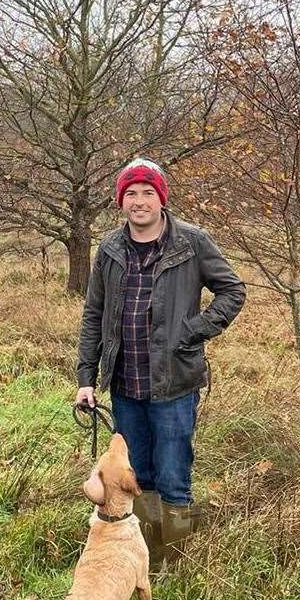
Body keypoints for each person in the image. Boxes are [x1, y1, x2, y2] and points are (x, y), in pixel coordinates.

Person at [74, 158, 245, 559]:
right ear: (121, 201)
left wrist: (191, 331)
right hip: (125, 384)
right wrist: (86, 376)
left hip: (174, 384)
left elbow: (233, 292)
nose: (139, 201)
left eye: (147, 193)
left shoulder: (192, 242)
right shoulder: (111, 249)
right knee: (140, 475)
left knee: (173, 476)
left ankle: (177, 558)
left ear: (161, 198)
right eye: (131, 193)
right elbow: (93, 314)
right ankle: (146, 554)